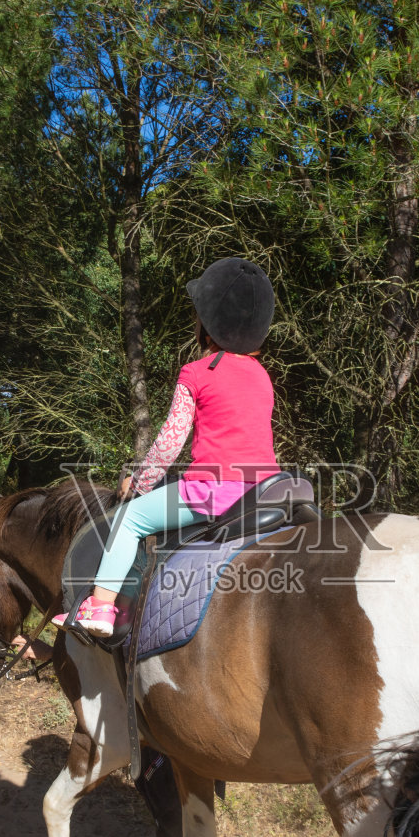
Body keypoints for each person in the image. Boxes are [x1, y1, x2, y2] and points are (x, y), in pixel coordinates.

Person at [54, 256, 280, 638]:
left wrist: (139, 484)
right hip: (264, 490)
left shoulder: (197, 372)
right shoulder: (263, 377)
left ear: (206, 323)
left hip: (213, 492)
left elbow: (168, 444)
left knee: (129, 520)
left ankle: (101, 607)